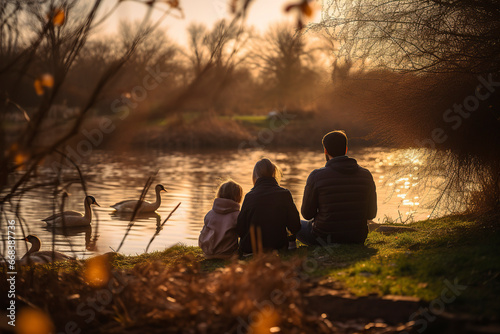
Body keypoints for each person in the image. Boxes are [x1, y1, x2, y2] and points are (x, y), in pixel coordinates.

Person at [297, 130, 377, 245]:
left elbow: (307, 214)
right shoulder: (366, 175)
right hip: (357, 238)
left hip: (323, 238)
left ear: (325, 150)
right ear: (346, 149)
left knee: (291, 222)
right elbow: (371, 214)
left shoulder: (316, 176)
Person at [236, 158, 301, 254]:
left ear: (255, 175)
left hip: (251, 248)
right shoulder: (285, 194)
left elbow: (240, 230)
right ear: (274, 173)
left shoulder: (249, 196)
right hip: (278, 246)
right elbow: (295, 226)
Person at [199, 180, 243, 259]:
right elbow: (242, 234)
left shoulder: (210, 214)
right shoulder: (237, 215)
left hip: (208, 253)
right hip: (227, 253)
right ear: (238, 197)